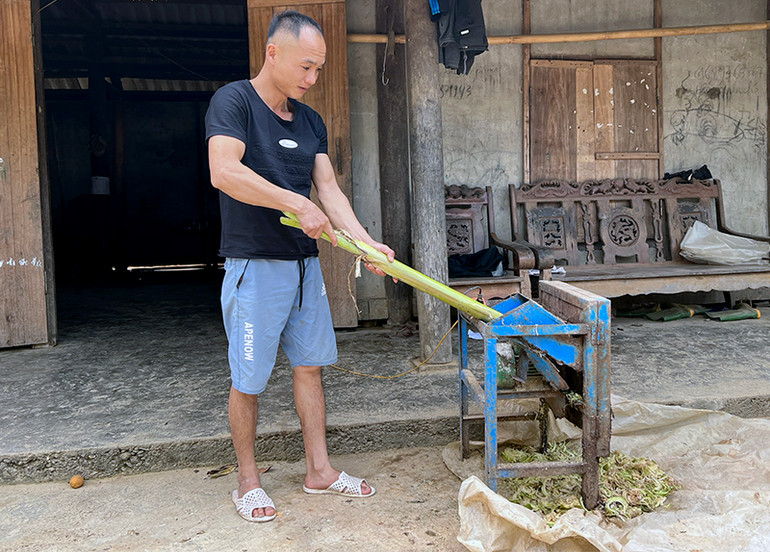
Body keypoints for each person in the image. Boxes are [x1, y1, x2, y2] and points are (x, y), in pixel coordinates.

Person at [205, 10, 395, 523]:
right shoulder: (234, 102)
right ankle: (248, 482)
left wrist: (365, 244)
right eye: (306, 67)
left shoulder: (310, 121)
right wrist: (294, 201)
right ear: (274, 53)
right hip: (255, 265)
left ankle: (320, 471)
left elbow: (328, 190)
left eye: (319, 69)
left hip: (304, 266)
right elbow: (224, 171)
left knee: (309, 368)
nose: (312, 79)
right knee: (248, 379)